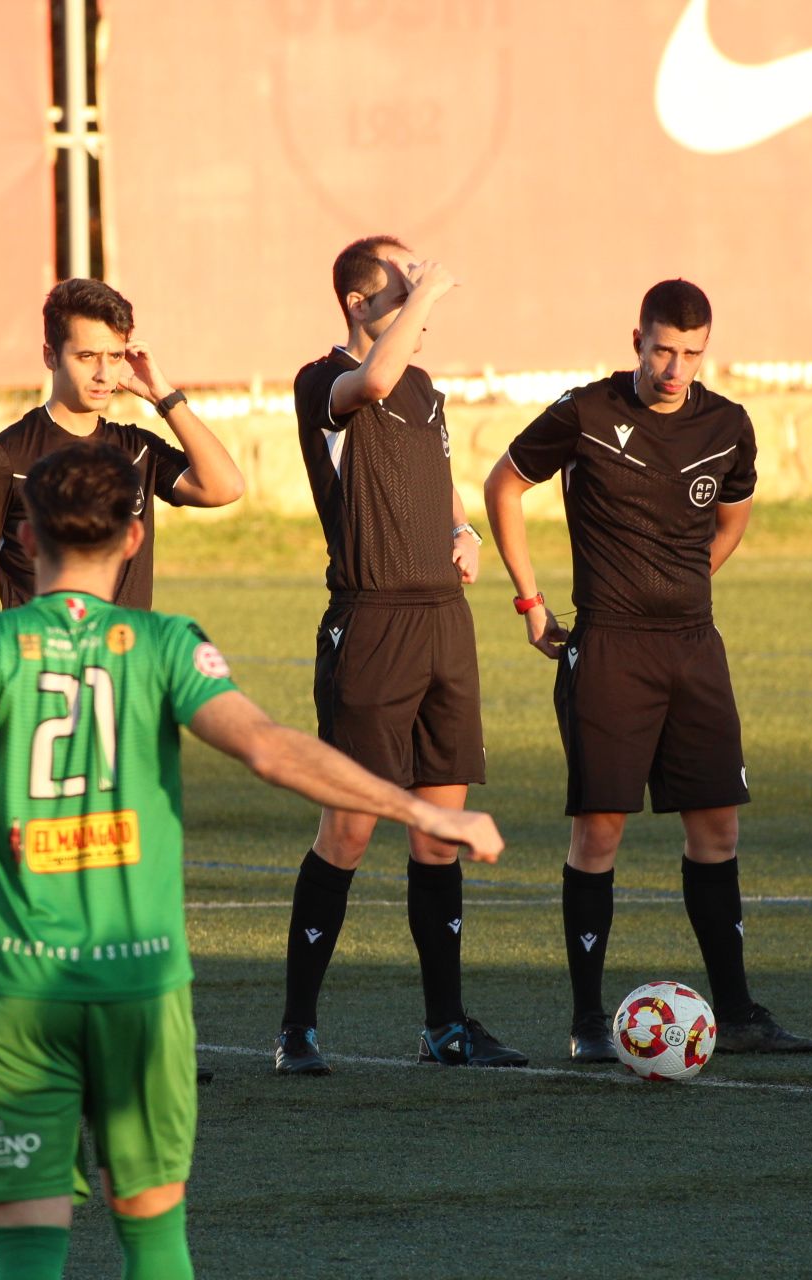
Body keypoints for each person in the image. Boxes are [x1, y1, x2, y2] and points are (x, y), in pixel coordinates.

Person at [0, 440, 503, 1280]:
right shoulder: (166, 645)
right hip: (138, 988)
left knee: (27, 1244)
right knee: (154, 1236)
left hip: (17, 993)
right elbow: (271, 749)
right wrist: (418, 808)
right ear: (134, 538)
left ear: (23, 537)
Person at [482, 278, 812, 1062]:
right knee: (600, 830)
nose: (675, 368)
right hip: (609, 649)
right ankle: (588, 1021)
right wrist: (531, 601)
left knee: (718, 826)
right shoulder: (586, 414)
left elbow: (734, 511)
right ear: (636, 338)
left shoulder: (728, 424)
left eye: (692, 354)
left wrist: (693, 578)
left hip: (695, 648)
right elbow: (503, 485)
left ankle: (734, 1012)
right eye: (663, 350)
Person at [0, 278, 245, 1040]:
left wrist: (162, 392)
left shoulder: (133, 448)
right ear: (50, 355)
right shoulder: (6, 457)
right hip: (37, 691)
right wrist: (23, 660)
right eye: (88, 356)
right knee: (10, 864)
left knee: (117, 856)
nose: (104, 372)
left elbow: (222, 485)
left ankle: (118, 1032)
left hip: (123, 689)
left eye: (115, 356)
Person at [272, 235, 527, 1075]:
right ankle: (297, 1030)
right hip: (372, 623)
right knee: (349, 826)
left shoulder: (423, 386)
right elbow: (372, 380)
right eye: (402, 278)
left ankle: (445, 1026)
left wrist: (463, 531)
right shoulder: (328, 380)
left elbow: (441, 474)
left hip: (442, 623)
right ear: (359, 301)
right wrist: (434, 292)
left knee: (440, 832)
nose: (419, 285)